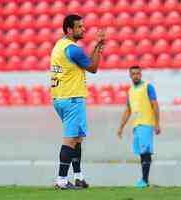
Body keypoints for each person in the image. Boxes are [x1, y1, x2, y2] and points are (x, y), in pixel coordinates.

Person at [50, 14, 105, 189]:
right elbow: (93, 67)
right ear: (69, 29)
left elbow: (84, 62)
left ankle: (79, 177)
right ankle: (61, 181)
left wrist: (96, 47)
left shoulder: (60, 45)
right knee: (70, 140)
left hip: (60, 98)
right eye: (79, 26)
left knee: (78, 139)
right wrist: (99, 46)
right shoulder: (73, 49)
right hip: (72, 99)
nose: (84, 29)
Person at [117, 65, 161, 188]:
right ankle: (144, 180)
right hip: (136, 125)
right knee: (141, 153)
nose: (136, 75)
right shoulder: (130, 91)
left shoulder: (148, 87)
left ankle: (144, 180)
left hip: (146, 123)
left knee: (146, 151)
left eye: (138, 73)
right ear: (130, 75)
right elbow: (128, 110)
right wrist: (121, 127)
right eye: (133, 74)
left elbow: (155, 105)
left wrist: (157, 123)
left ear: (141, 74)